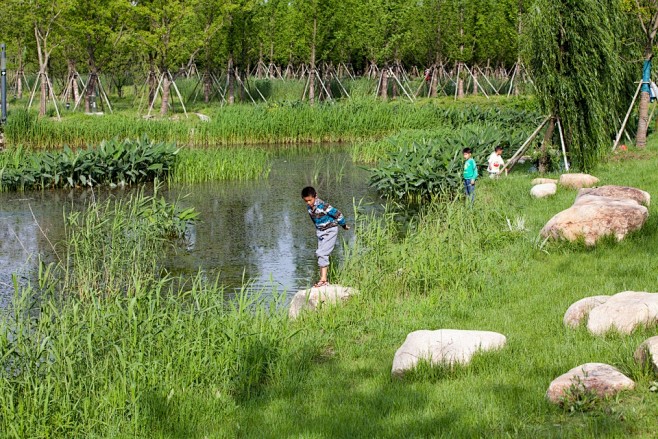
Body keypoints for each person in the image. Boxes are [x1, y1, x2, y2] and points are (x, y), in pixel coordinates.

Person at [301, 186, 350, 287]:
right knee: (321, 254)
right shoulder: (309, 208)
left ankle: (323, 280)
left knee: (321, 253)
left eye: (310, 200)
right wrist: (318, 230)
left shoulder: (323, 206)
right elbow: (314, 220)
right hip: (321, 232)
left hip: (330, 230)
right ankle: (323, 279)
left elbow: (338, 214)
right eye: (306, 201)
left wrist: (343, 225)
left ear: (315, 196)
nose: (308, 203)